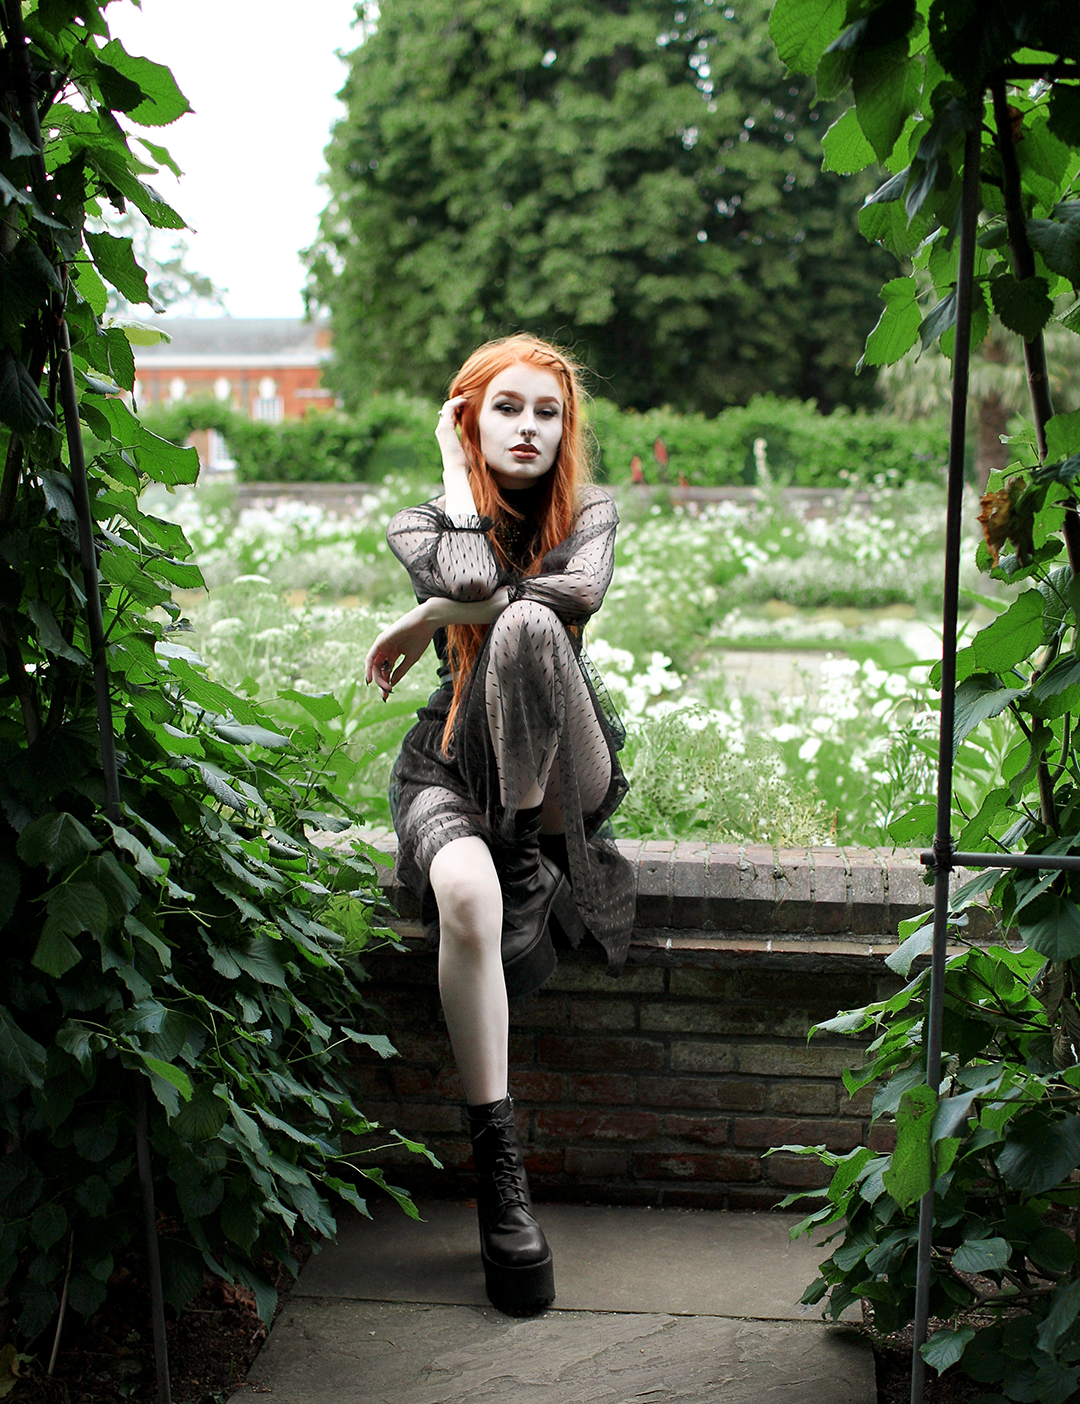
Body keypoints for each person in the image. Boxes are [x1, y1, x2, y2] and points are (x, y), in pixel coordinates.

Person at [364, 333, 634, 1314]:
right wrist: (451, 472)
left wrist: (426, 618)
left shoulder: (590, 513)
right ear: (468, 415)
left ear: (568, 430)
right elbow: (473, 573)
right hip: (448, 761)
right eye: (506, 408)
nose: (529, 428)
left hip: (566, 765)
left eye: (547, 412)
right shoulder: (423, 521)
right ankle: (500, 1181)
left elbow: (547, 603)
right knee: (468, 905)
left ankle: (528, 856)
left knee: (523, 625)